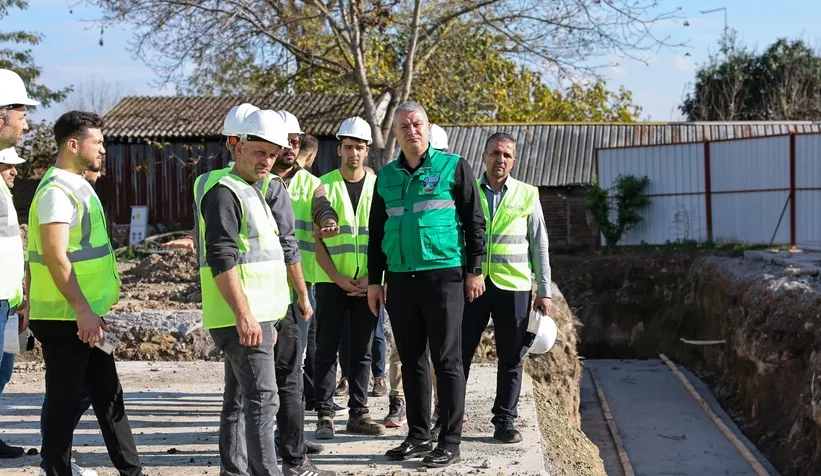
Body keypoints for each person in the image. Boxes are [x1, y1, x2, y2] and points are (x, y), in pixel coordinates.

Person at [368, 101, 486, 468]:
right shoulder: (385, 177)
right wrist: (375, 281)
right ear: (396, 133)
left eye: (416, 124)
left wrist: (475, 270)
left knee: (447, 360)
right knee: (411, 361)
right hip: (401, 280)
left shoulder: (453, 167)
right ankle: (418, 435)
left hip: (444, 275)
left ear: (428, 127)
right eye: (403, 126)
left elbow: (475, 222)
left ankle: (450, 440)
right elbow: (375, 233)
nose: (410, 130)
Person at [27, 111, 143, 476]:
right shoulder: (55, 193)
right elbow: (55, 256)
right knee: (64, 400)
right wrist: (82, 309)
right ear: (73, 145)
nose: (104, 149)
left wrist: (89, 310)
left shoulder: (76, 185)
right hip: (67, 316)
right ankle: (56, 469)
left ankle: (132, 470)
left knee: (108, 395)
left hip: (83, 312)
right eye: (98, 142)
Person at [462, 132, 552, 444]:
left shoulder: (527, 194)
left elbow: (540, 244)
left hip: (513, 286)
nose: (501, 160)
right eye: (496, 153)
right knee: (459, 354)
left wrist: (544, 289)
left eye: (507, 156)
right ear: (484, 157)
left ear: (513, 161)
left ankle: (505, 421)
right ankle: (449, 418)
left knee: (511, 357)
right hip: (473, 284)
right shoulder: (467, 190)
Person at [312, 117, 387, 440]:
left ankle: (359, 412)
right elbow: (315, 240)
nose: (353, 153)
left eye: (359, 147)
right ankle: (325, 415)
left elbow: (386, 237)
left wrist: (373, 276)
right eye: (347, 147)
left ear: (367, 150)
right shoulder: (322, 185)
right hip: (332, 282)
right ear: (339, 149)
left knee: (363, 351)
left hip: (368, 283)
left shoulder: (379, 187)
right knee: (326, 349)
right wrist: (337, 277)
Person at [269, 110, 338, 409]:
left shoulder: (310, 183)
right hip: (264, 280)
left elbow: (322, 205)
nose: (290, 148)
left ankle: (292, 407)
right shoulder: (256, 180)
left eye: (295, 142)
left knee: (297, 349)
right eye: (284, 142)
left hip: (301, 281)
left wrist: (328, 220)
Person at [0, 147, 27, 460]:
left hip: (7, 301)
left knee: (3, 372)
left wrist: (19, 300)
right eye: (9, 164)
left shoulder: (5, 195)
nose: (15, 170)